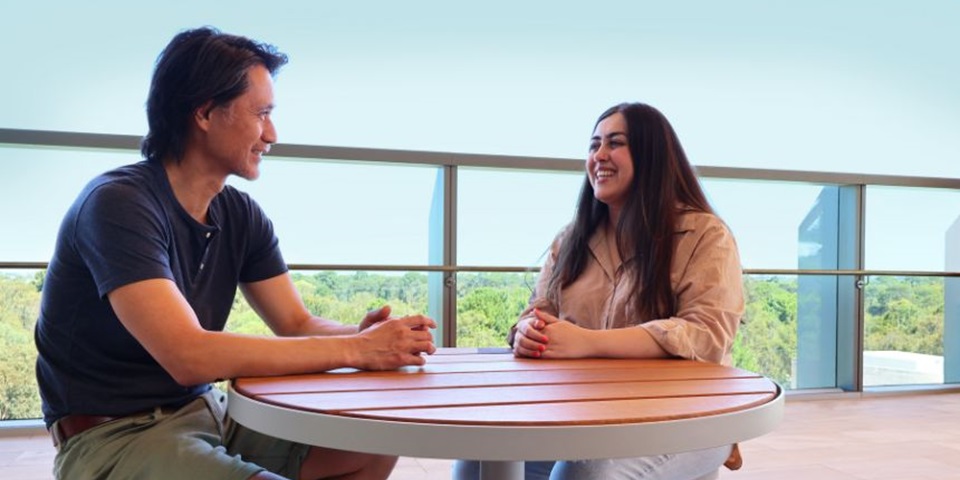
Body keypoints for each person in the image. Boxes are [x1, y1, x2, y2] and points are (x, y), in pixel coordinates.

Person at [34, 26, 437, 480]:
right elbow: (188, 355)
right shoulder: (118, 204)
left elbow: (296, 324)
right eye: (261, 113)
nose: (272, 134)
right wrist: (354, 349)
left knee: (371, 444)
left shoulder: (239, 212)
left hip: (209, 413)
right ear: (204, 112)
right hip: (113, 437)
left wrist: (366, 335)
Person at [453, 102, 744, 480]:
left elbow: (707, 335)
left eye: (615, 143)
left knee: (584, 474)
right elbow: (538, 311)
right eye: (594, 145)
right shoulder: (570, 239)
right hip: (585, 413)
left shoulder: (705, 235)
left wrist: (588, 342)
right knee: (476, 463)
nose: (599, 156)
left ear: (651, 155)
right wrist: (527, 332)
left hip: (686, 417)